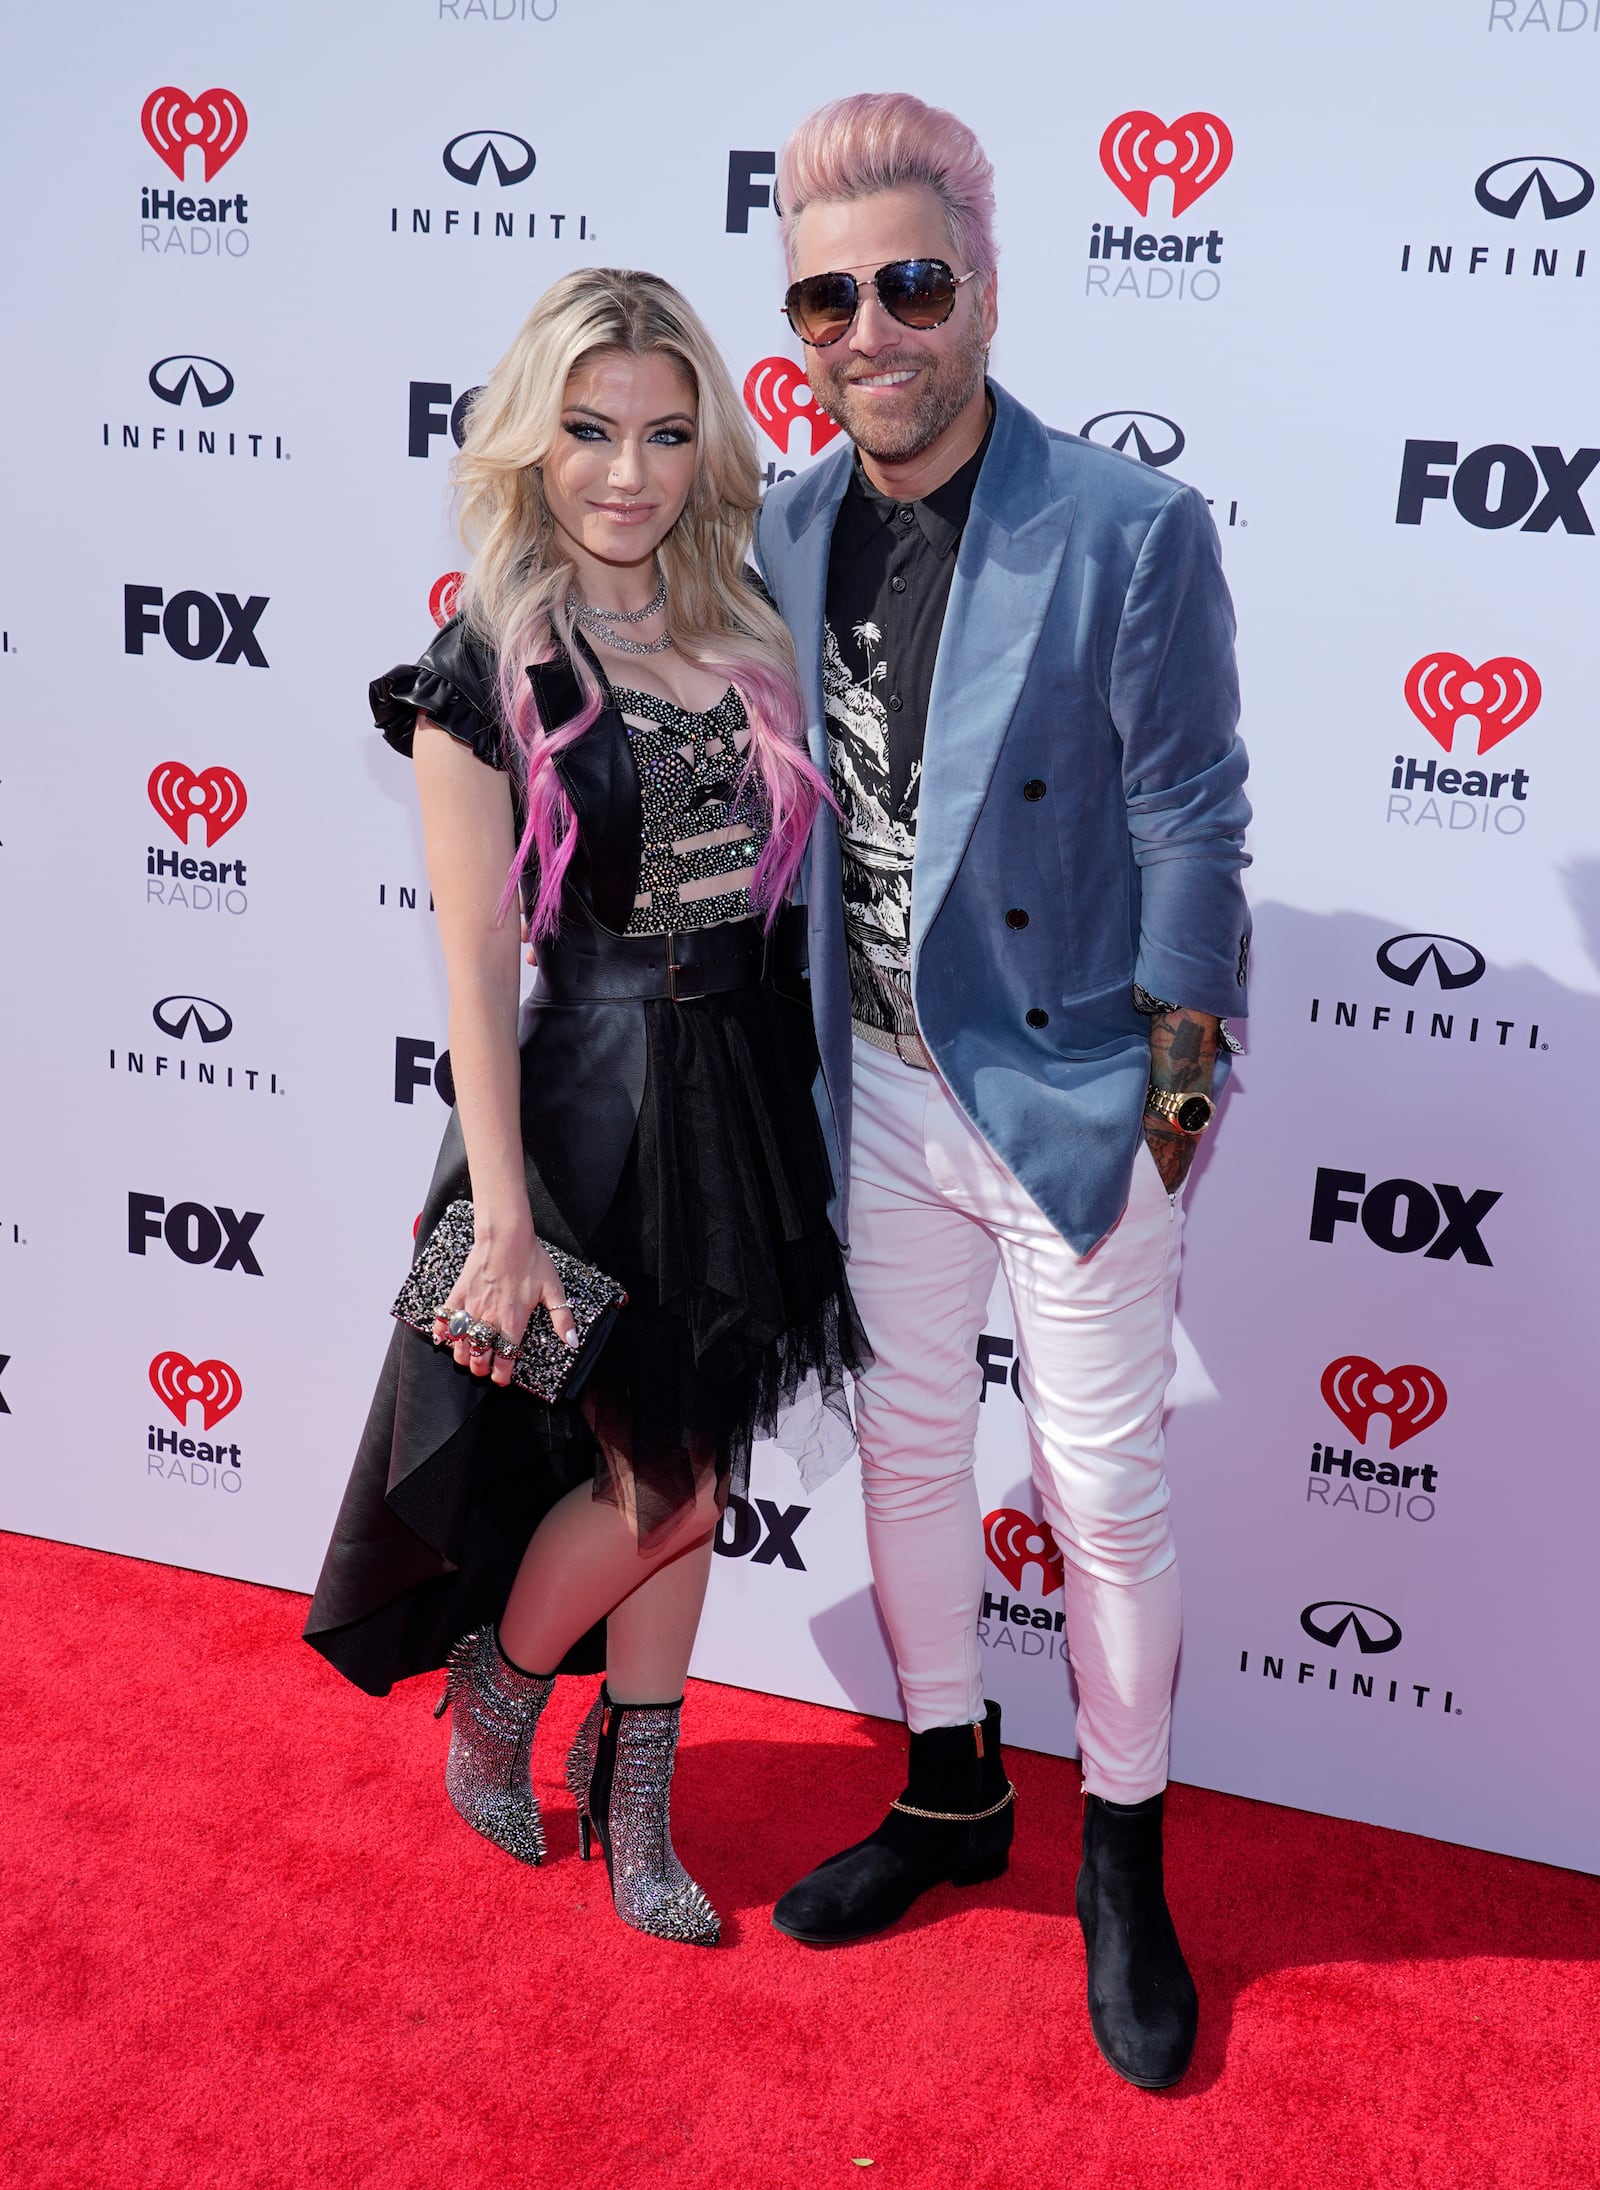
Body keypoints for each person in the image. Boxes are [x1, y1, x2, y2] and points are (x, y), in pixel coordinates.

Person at [754, 94, 1251, 2087]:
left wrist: (1176, 1078)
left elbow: (1195, 807)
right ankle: (951, 1785)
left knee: (1103, 1495)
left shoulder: (1121, 527)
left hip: (1061, 1082)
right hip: (864, 1072)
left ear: (979, 288)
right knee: (897, 1455)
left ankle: (1121, 1856)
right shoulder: (784, 523)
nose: (864, 329)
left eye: (906, 284)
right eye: (820, 298)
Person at [303, 268, 866, 1948]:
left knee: (695, 1463)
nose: (631, 471)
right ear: (532, 443)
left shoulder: (748, 622)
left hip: (747, 1097)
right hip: (587, 1111)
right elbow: (478, 973)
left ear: (711, 444)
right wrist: (505, 1215)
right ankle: (499, 1679)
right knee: (665, 1489)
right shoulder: (485, 667)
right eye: (594, 431)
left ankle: (640, 1804)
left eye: (669, 432)